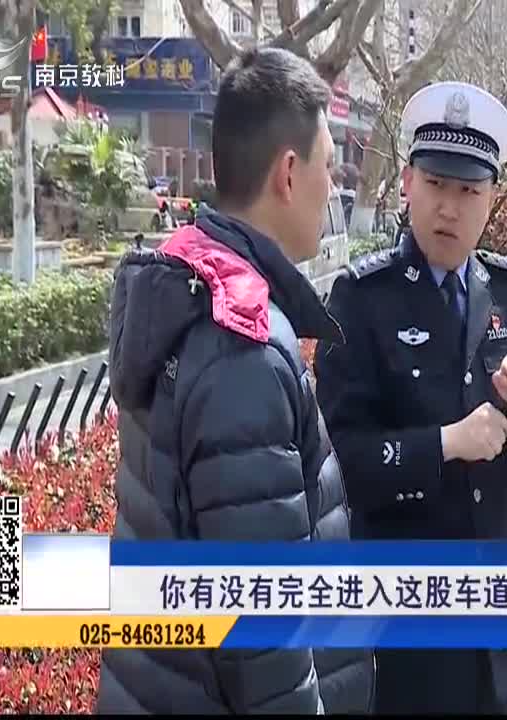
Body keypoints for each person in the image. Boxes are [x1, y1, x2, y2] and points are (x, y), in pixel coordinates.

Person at [96, 48, 375, 715]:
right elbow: (266, 632)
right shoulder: (243, 350)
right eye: (328, 166)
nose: (332, 189)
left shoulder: (183, 288)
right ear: (289, 173)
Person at [313, 81, 507, 715]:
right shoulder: (362, 299)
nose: (449, 209)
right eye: (435, 185)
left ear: (492, 199)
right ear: (407, 183)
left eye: (468, 191)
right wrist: (444, 445)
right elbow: (338, 464)